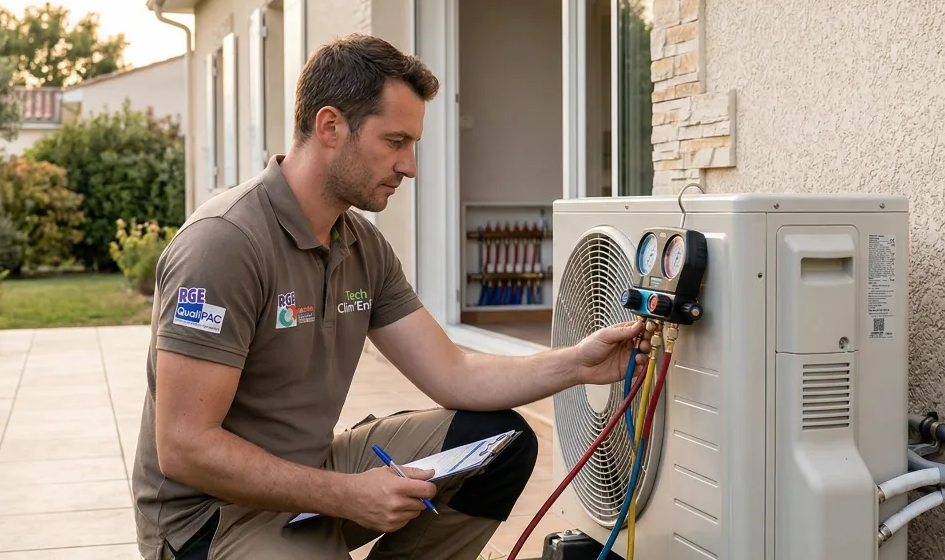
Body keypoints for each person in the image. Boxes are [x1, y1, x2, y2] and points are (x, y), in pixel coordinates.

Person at [131, 33, 650, 559]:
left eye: (413, 146)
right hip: (212, 516)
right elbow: (184, 447)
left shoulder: (360, 244)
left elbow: (454, 374)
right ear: (330, 126)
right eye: (395, 142)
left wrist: (578, 365)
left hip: (311, 473)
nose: (410, 166)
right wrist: (349, 496)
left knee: (500, 443)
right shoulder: (224, 243)